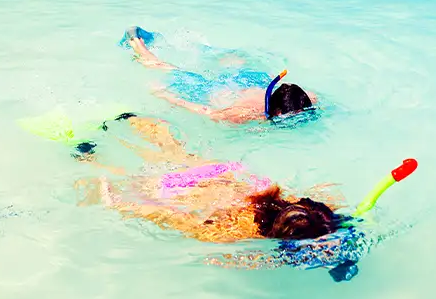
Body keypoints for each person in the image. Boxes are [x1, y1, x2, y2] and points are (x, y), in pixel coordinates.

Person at [75, 113, 347, 243]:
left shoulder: (279, 196)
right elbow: (174, 217)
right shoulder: (240, 231)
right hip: (179, 189)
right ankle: (88, 158)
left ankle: (132, 119)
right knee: (130, 178)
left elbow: (328, 195)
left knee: (177, 153)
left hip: (223, 172)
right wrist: (117, 202)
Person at [122, 26, 317, 124]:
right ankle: (137, 44)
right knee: (171, 70)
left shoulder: (305, 99)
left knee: (230, 63)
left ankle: (207, 50)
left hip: (251, 80)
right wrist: (166, 96)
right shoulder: (245, 113)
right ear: (276, 112)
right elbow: (208, 112)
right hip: (219, 89)